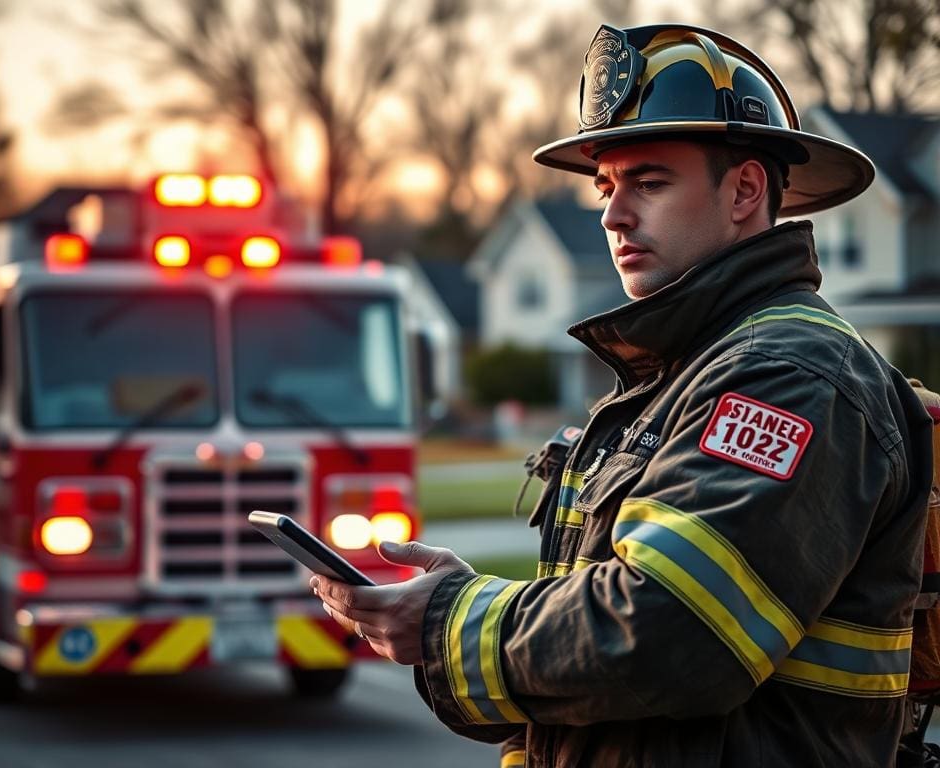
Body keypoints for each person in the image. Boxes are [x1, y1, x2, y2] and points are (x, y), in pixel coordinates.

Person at [314, 23, 934, 767]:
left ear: (744, 191)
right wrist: (462, 611)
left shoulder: (793, 375)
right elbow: (592, 676)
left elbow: (672, 633)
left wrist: (451, 621)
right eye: (607, 186)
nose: (611, 215)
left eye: (649, 182)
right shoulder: (675, 379)